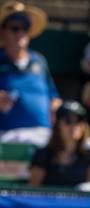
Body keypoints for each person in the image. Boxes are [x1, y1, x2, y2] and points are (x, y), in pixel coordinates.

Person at [0, 1, 60, 146]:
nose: (20, 33)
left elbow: (54, 96)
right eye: (14, 28)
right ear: (2, 31)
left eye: (24, 28)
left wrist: (56, 107)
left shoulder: (39, 61)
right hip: (7, 135)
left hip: (43, 134)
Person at [28, 101, 90, 188]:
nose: (74, 126)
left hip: (79, 201)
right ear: (58, 125)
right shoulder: (43, 154)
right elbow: (33, 191)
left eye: (79, 121)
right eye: (68, 121)